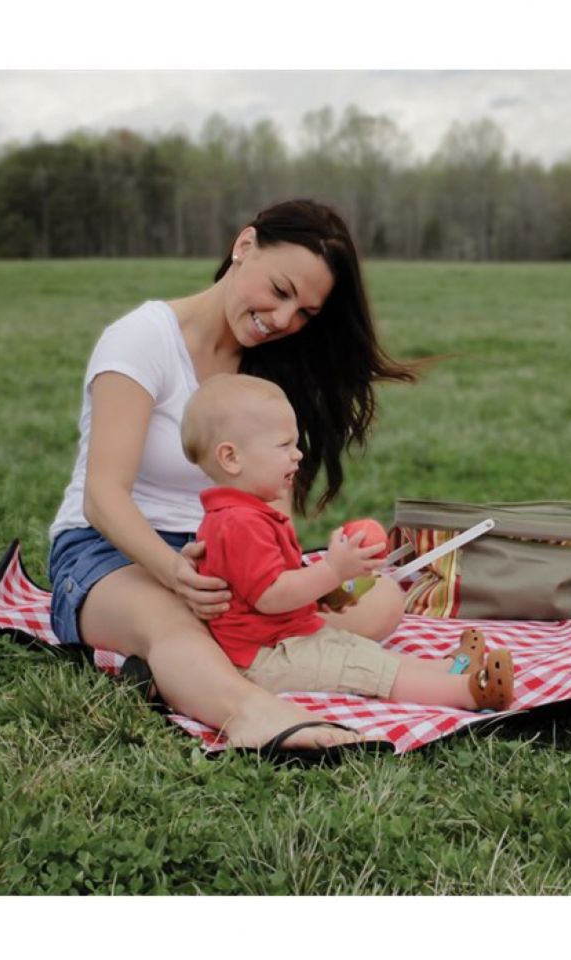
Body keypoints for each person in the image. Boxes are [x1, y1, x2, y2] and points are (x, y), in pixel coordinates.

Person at [47, 199, 419, 755]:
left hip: (230, 557)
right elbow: (103, 496)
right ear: (244, 247)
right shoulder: (142, 339)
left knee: (382, 599)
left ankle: (201, 668)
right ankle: (254, 716)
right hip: (111, 552)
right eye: (281, 290)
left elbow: (272, 500)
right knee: (175, 621)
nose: (285, 319)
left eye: (305, 313)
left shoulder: (269, 365)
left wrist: (301, 581)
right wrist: (174, 571)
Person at [181, 373, 515, 711]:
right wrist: (332, 569)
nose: (298, 455)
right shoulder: (238, 523)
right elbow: (271, 596)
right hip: (265, 657)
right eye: (284, 445)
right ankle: (469, 693)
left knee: (362, 653)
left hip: (286, 636)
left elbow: (271, 584)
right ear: (231, 458)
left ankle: (451, 669)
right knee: (364, 670)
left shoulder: (246, 515)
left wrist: (330, 590)